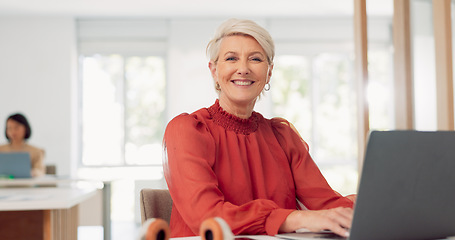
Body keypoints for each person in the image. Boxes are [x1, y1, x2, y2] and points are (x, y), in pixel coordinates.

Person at [163, 18, 355, 238]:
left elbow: (326, 204)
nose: (243, 69)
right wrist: (294, 218)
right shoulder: (187, 130)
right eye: (231, 58)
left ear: (269, 72)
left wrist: (369, 207)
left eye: (255, 59)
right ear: (214, 70)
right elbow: (207, 218)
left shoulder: (283, 136)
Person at [0, 113, 45, 177]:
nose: (13, 131)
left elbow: (40, 171)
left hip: (27, 185)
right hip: (4, 185)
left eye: (16, 127)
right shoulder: (1, 149)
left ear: (25, 128)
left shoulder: (37, 151)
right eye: (9, 128)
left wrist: (32, 172)